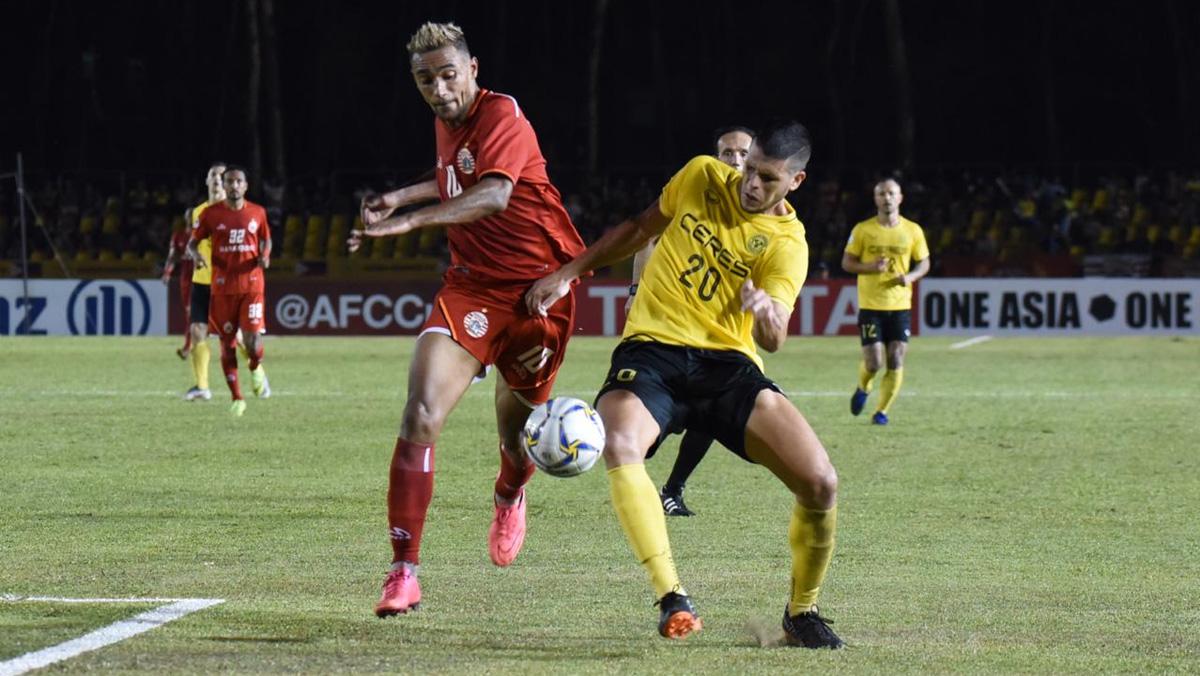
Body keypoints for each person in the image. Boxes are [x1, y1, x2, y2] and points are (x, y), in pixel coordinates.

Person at [526, 120, 844, 648]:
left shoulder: (789, 243)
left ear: (796, 182)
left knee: (821, 483)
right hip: (653, 351)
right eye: (749, 168)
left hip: (727, 368)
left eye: (767, 178)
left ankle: (802, 613)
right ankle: (672, 596)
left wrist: (765, 310)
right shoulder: (701, 176)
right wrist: (570, 272)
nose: (750, 184)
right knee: (621, 443)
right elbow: (639, 228)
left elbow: (774, 337)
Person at [348, 21, 586, 619]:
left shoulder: (501, 112)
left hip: (539, 295)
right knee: (421, 414)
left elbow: (495, 194)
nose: (438, 88)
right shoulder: (446, 122)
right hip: (472, 290)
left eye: (448, 74)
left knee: (515, 434)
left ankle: (510, 491)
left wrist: (408, 223)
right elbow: (456, 177)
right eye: (425, 79)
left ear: (473, 69)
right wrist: (401, 197)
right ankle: (404, 571)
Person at [626, 125, 755, 518]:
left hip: (720, 330)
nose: (735, 161)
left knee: (711, 416)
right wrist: (635, 293)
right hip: (668, 323)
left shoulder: (763, 211)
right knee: (653, 418)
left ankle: (673, 489)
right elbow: (646, 237)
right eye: (727, 153)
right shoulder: (697, 189)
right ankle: (633, 479)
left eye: (743, 154)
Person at [842, 178, 930, 425]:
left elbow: (924, 263)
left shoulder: (912, 230)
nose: (887, 198)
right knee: (874, 362)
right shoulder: (862, 230)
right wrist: (870, 267)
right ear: (875, 199)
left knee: (896, 358)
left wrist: (910, 277)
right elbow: (847, 263)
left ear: (900, 198)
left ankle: (881, 412)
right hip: (871, 305)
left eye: (891, 193)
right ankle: (863, 386)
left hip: (900, 305)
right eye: (882, 194)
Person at [188, 166, 272, 417]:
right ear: (215, 183)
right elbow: (192, 241)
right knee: (205, 334)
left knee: (249, 339)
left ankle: (256, 368)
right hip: (212, 284)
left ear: (245, 185)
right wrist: (196, 257)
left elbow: (266, 239)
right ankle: (212, 389)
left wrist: (265, 256)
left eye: (237, 181)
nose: (231, 185)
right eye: (220, 178)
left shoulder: (257, 212)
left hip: (249, 285)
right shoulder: (203, 213)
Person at [161, 218, 195, 360]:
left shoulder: (206, 234)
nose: (191, 219)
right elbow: (172, 256)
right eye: (189, 216)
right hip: (187, 281)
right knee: (190, 314)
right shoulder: (179, 236)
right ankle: (188, 346)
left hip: (207, 279)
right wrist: (167, 272)